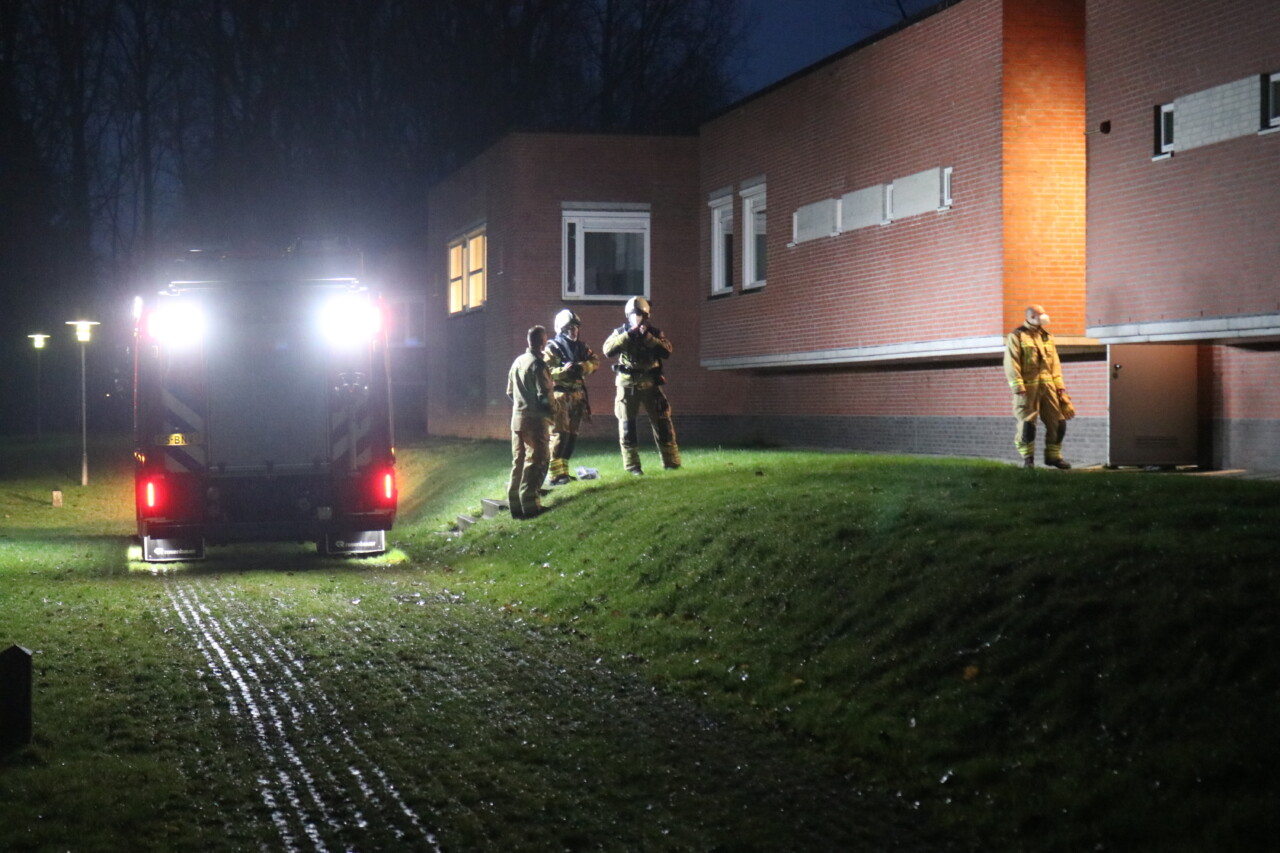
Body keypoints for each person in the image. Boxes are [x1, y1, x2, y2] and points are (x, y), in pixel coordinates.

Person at [602, 296, 680, 475]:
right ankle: (632, 466)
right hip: (627, 385)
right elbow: (607, 350)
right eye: (633, 315)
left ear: (646, 316)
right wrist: (628, 335)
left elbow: (667, 350)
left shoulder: (654, 333)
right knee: (627, 426)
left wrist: (649, 338)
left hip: (651, 384)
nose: (636, 318)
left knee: (662, 423)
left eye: (640, 315)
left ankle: (671, 462)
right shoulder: (620, 332)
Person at [1003, 304, 1075, 469]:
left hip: (1048, 386)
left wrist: (1059, 386)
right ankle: (1028, 459)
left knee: (1058, 422)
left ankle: (1053, 456)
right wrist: (1018, 386)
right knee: (1028, 425)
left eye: (1044, 313)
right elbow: (1011, 362)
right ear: (1031, 316)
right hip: (1028, 389)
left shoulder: (1047, 337)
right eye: (1040, 314)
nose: (1044, 316)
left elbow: (1055, 363)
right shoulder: (1017, 336)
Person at [544, 309, 600, 486]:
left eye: (576, 327)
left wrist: (582, 367)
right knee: (559, 434)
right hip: (560, 395)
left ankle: (564, 472)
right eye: (570, 327)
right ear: (561, 328)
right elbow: (546, 371)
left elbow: (596, 362)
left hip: (577, 395)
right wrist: (563, 371)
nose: (574, 330)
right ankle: (554, 475)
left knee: (572, 435)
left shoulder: (582, 348)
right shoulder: (552, 348)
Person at [506, 325, 553, 517]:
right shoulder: (539, 365)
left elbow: (509, 391)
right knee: (537, 461)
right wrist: (552, 411)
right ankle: (531, 505)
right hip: (535, 422)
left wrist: (522, 405)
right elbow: (545, 396)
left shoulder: (518, 362)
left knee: (518, 461)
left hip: (517, 420)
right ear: (543, 342)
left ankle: (515, 505)